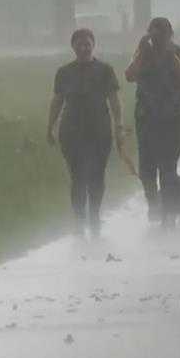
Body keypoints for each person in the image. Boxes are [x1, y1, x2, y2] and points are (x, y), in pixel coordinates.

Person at [47, 28, 126, 237]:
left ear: (93, 45)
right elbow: (57, 102)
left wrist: (119, 126)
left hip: (99, 130)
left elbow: (115, 101)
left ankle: (94, 214)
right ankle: (79, 217)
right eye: (79, 44)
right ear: (73, 46)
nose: (83, 47)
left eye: (87, 43)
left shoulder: (105, 70)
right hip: (71, 131)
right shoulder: (63, 73)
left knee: (97, 176)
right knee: (77, 176)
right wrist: (50, 126)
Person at [125, 17, 180, 222]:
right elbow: (129, 75)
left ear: (170, 34)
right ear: (149, 35)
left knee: (168, 165)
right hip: (147, 115)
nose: (159, 40)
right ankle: (152, 201)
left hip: (175, 116)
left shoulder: (179, 52)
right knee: (146, 164)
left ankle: (168, 204)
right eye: (154, 35)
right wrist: (140, 50)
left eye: (163, 35)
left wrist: (171, 56)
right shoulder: (143, 53)